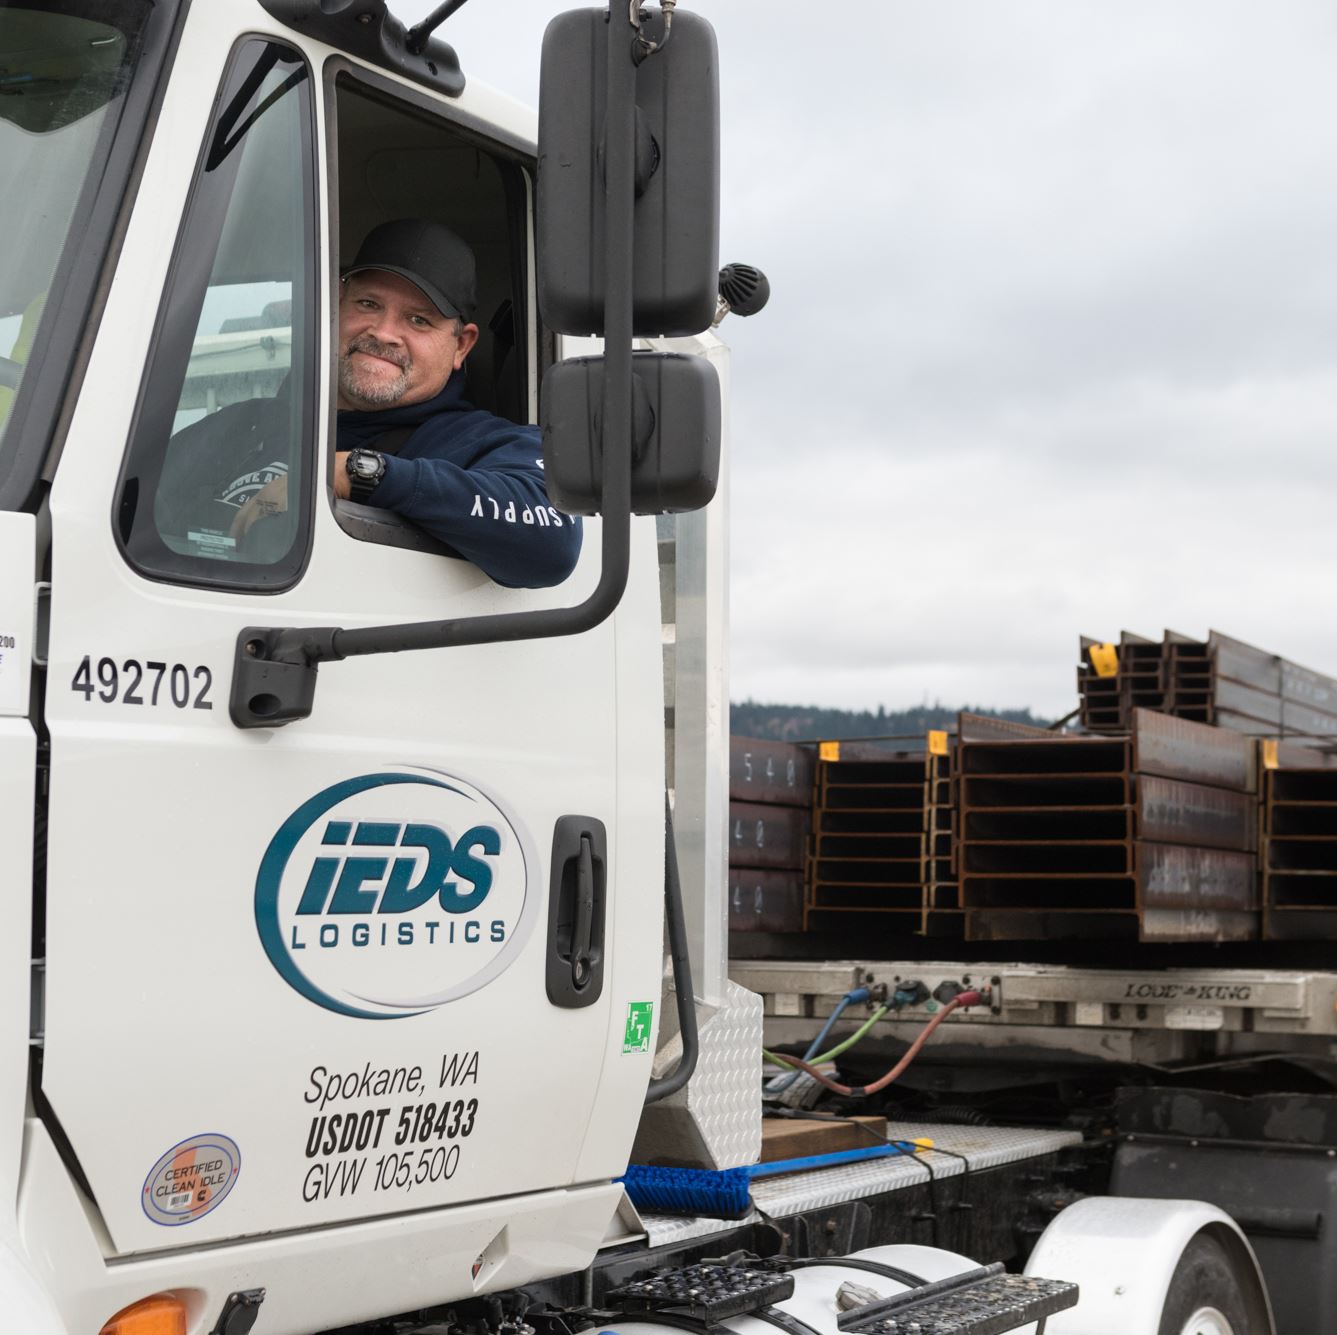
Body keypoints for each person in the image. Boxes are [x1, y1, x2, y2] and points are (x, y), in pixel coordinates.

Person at [162, 219, 581, 589]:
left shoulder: (489, 443)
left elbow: (554, 541)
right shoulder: (238, 424)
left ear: (461, 345)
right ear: (335, 307)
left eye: (419, 320)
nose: (383, 332)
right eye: (368, 304)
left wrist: (356, 472)